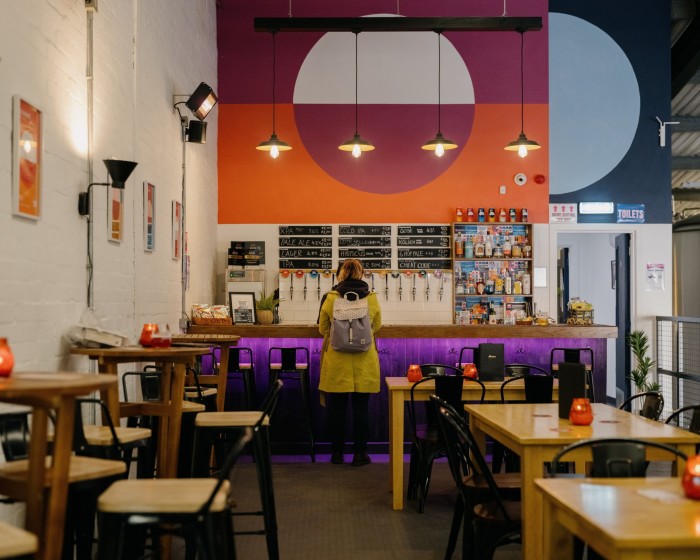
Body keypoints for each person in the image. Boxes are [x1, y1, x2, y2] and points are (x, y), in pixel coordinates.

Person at [318, 259, 382, 466]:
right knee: (361, 409)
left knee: (336, 410)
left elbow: (322, 329)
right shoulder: (371, 299)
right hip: (364, 361)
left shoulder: (330, 298)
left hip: (337, 362)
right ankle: (360, 454)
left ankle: (337, 454)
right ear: (362, 274)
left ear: (340, 274)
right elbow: (377, 326)